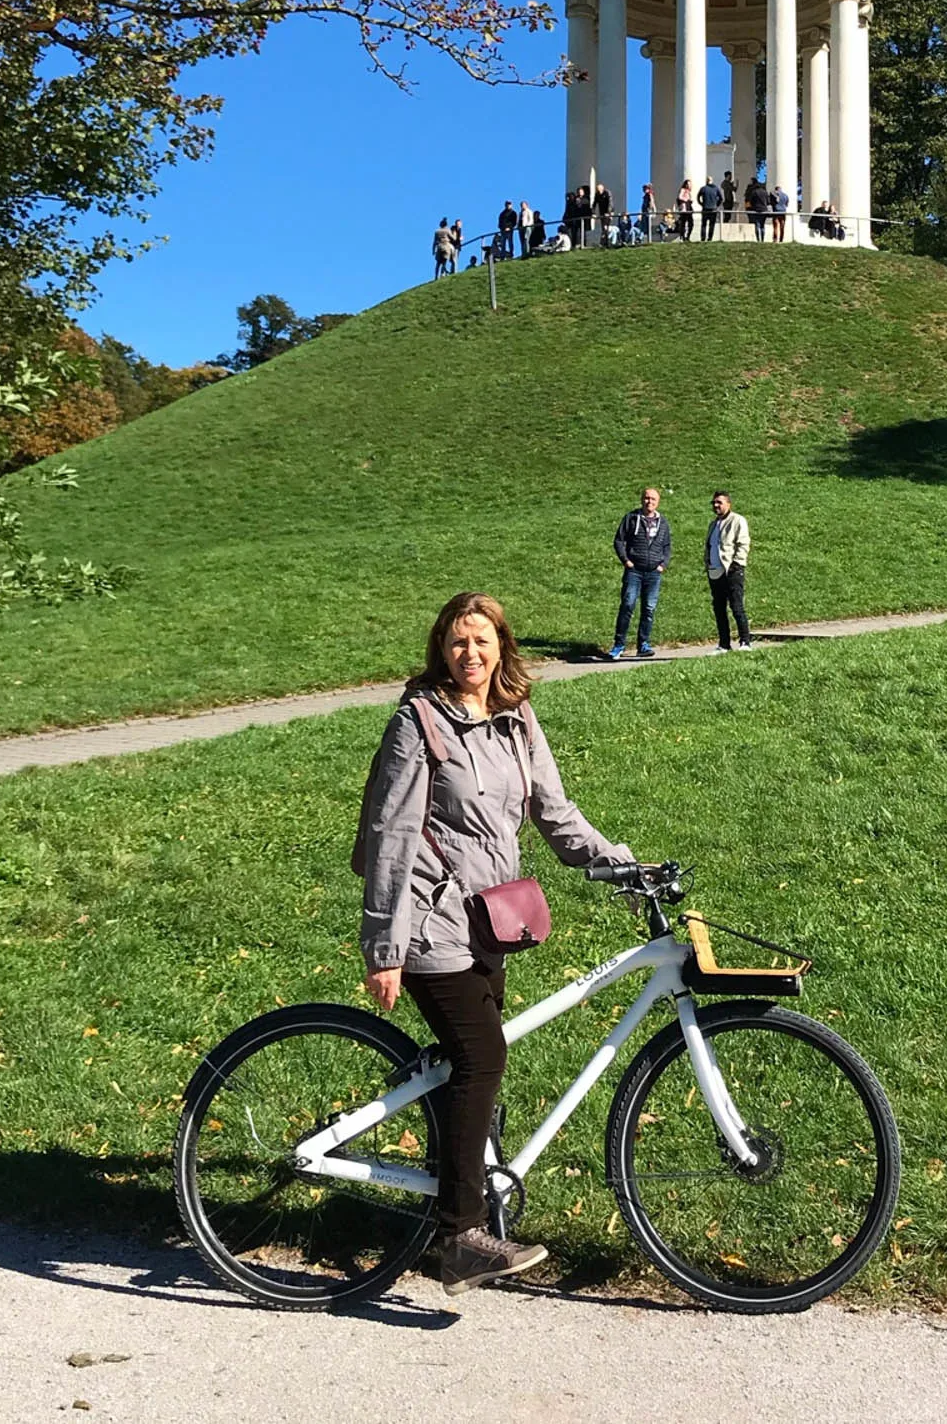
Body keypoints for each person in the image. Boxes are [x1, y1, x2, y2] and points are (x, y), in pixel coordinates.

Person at [359, 592, 634, 1293]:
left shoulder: (515, 718)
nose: (470, 654)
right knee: (482, 1056)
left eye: (481, 640)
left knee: (468, 1065)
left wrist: (623, 867)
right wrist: (385, 947)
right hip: (429, 921)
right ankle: (460, 1238)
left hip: (487, 922)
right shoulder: (419, 722)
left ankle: (457, 1192)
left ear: (502, 647)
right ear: (441, 650)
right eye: (458, 642)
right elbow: (390, 836)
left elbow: (554, 813)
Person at [609, 487, 672, 660]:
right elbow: (619, 540)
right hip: (634, 571)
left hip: (653, 572)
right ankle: (619, 645)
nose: (649, 502)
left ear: (658, 502)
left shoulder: (663, 522)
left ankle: (643, 644)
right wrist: (626, 561)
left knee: (649, 608)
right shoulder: (631, 518)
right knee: (628, 605)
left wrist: (663, 564)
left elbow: (667, 546)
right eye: (646, 498)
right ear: (641, 499)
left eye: (653, 499)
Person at [704, 490, 752, 652]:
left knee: (736, 606)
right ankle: (724, 644)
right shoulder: (713, 525)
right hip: (715, 571)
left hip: (732, 571)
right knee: (719, 608)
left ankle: (745, 642)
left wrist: (736, 564)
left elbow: (743, 543)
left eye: (719, 502)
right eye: (714, 503)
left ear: (728, 504)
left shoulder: (737, 520)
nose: (716, 505)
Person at [697, 174, 722, 242]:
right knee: (712, 224)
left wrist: (701, 204)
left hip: (705, 208)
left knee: (704, 224)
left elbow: (698, 197)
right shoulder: (716, 188)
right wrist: (717, 205)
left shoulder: (703, 188)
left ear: (706, 181)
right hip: (713, 209)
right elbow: (721, 198)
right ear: (712, 181)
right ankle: (710, 238)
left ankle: (703, 238)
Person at [744, 175, 768, 242]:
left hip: (756, 210)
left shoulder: (754, 192)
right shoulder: (765, 192)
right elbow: (768, 201)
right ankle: (762, 239)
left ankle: (758, 239)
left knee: (757, 225)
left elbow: (750, 200)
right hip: (764, 210)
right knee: (762, 225)